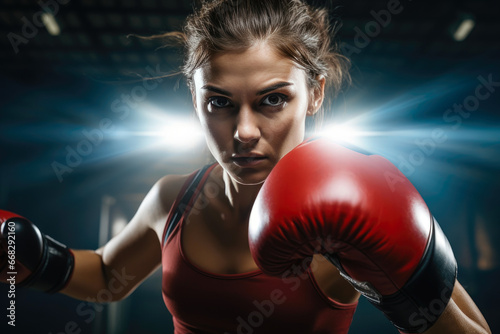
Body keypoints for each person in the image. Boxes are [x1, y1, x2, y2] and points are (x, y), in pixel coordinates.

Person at [0, 0, 492, 333]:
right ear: (193, 100)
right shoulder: (175, 197)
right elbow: (108, 276)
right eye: (219, 103)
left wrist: (397, 283)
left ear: (315, 93)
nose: (244, 132)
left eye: (273, 99)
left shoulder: (353, 199)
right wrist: (34, 254)